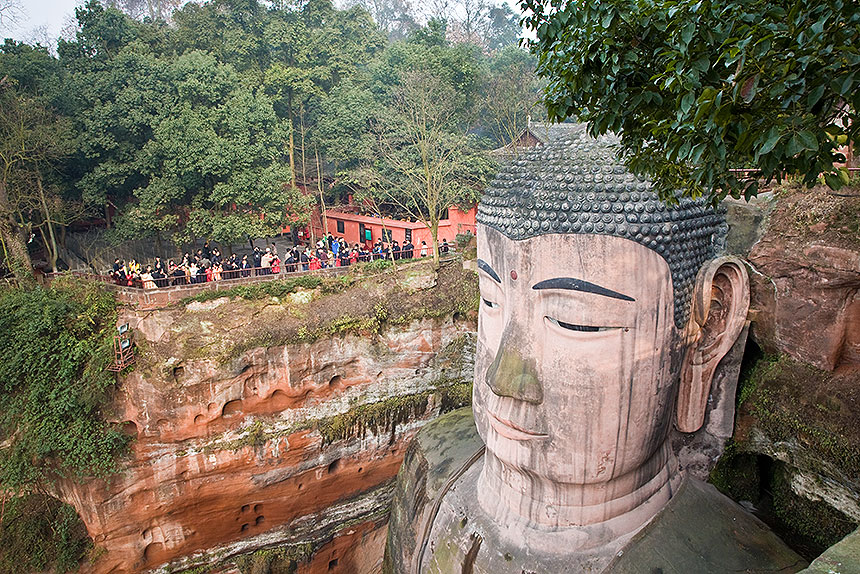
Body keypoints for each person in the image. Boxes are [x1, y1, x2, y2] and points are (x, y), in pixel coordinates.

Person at [385, 135, 804, 574]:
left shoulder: (733, 560)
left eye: (576, 322)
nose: (502, 378)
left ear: (707, 330)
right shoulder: (432, 463)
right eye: (490, 300)